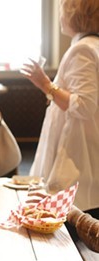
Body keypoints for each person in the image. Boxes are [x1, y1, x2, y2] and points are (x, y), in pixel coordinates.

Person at [20, 0, 98, 219]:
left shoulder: (82, 49)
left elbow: (83, 105)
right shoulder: (92, 46)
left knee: (72, 227)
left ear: (75, 14)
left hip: (77, 155)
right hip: (88, 151)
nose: (61, 16)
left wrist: (44, 83)